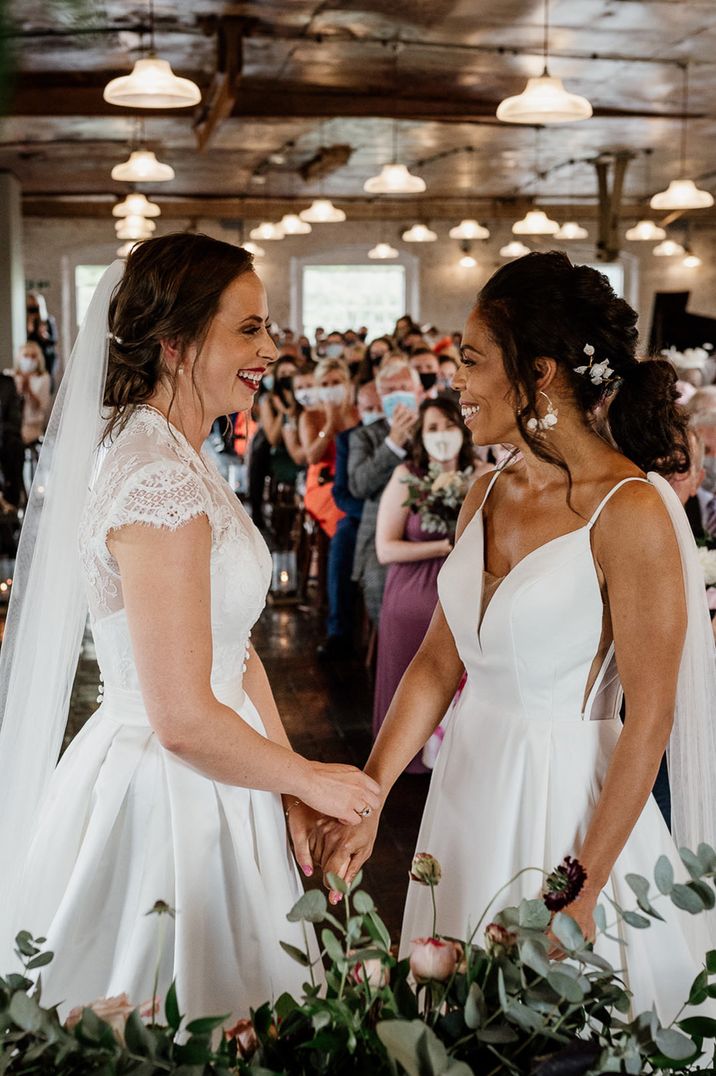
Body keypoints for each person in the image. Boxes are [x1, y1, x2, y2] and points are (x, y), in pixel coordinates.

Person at [316, 251, 716, 1020]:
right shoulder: (484, 490)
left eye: (470, 361)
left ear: (538, 372)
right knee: (454, 1016)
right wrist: (368, 797)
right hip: (470, 784)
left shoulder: (629, 510)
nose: (454, 382)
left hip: (567, 803)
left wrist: (584, 887)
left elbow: (650, 720)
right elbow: (437, 663)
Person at [0, 234, 380, 1023]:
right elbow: (177, 717)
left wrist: (284, 785)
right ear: (174, 343)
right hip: (171, 791)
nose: (272, 349)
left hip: (229, 766)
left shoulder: (182, 453)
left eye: (267, 328)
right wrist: (310, 779)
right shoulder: (157, 479)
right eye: (248, 329)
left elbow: (234, 653)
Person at [373, 396, 474, 772]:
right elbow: (386, 548)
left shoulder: (481, 473)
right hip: (413, 590)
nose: (442, 435)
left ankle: (455, 753)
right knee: (412, 676)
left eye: (448, 426)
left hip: (462, 594)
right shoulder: (407, 475)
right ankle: (402, 757)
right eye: (433, 428)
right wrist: (443, 545)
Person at [348, 359, 422, 624]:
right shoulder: (365, 436)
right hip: (382, 538)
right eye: (389, 391)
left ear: (419, 392)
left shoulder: (435, 426)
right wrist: (393, 443)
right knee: (379, 582)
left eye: (403, 387)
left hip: (431, 529)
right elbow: (358, 486)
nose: (397, 395)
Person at [319, 380, 381, 660]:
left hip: (405, 516)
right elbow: (341, 494)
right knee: (343, 541)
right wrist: (375, 515)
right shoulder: (347, 439)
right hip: (361, 515)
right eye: (370, 408)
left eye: (382, 406)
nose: (376, 413)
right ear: (358, 410)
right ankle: (339, 631)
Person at [300, 357, 358, 540]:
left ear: (346, 384)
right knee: (343, 513)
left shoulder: (357, 412)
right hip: (324, 481)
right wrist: (330, 424)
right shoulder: (310, 416)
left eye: (336, 383)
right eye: (325, 384)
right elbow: (312, 457)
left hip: (354, 478)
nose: (331, 388)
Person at [13, 340, 52, 446]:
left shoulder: (44, 378)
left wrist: (29, 390)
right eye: (26, 355)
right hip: (12, 425)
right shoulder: (12, 377)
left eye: (33, 356)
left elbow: (41, 406)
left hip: (32, 426)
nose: (29, 359)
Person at [26, 291, 58, 383]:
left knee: (47, 383)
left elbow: (54, 340)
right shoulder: (27, 321)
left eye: (35, 307)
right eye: (31, 307)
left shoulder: (48, 320)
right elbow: (27, 342)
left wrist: (45, 336)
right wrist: (29, 330)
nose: (33, 310)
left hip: (46, 357)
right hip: (33, 358)